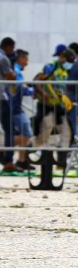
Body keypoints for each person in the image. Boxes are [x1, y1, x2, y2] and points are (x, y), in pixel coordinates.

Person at [8, 50, 34, 170]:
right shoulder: (16, 70)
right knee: (26, 134)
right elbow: (19, 87)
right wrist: (34, 91)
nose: (27, 63)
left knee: (23, 134)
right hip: (14, 108)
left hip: (14, 107)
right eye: (26, 59)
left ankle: (22, 160)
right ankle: (6, 148)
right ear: (20, 59)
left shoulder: (15, 69)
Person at [0, 37, 16, 171]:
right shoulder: (4, 58)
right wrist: (13, 71)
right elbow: (10, 76)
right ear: (8, 46)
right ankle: (8, 160)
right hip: (1, 98)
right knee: (9, 129)